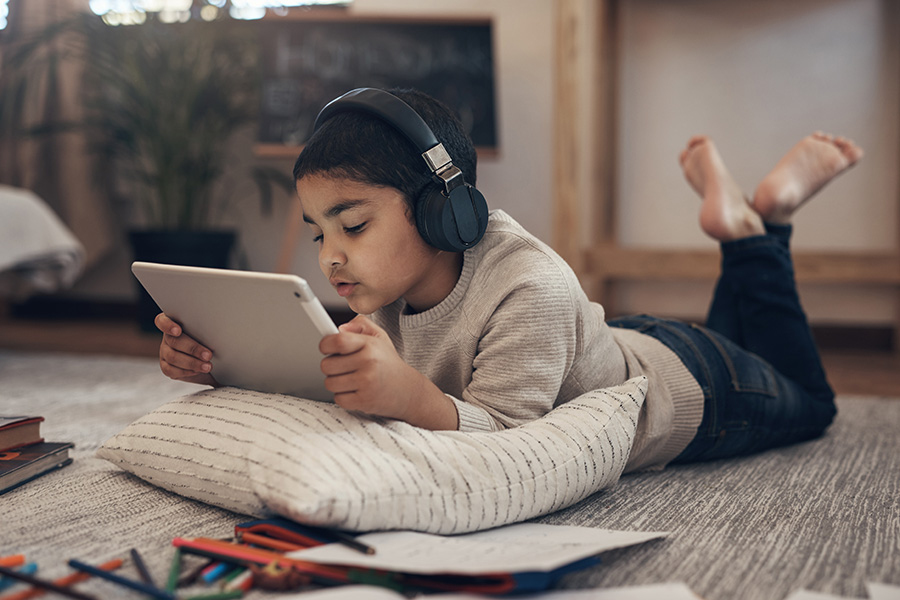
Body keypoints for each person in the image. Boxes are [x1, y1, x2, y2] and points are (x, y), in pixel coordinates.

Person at [155, 88, 862, 472]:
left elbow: (516, 445)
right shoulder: (384, 288)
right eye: (318, 233)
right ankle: (750, 224)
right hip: (617, 344)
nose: (329, 256)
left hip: (695, 392)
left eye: (353, 225)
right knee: (749, 335)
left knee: (811, 399)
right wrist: (224, 362)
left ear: (444, 212)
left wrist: (412, 396)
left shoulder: (532, 288)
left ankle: (760, 225)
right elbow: (329, 384)